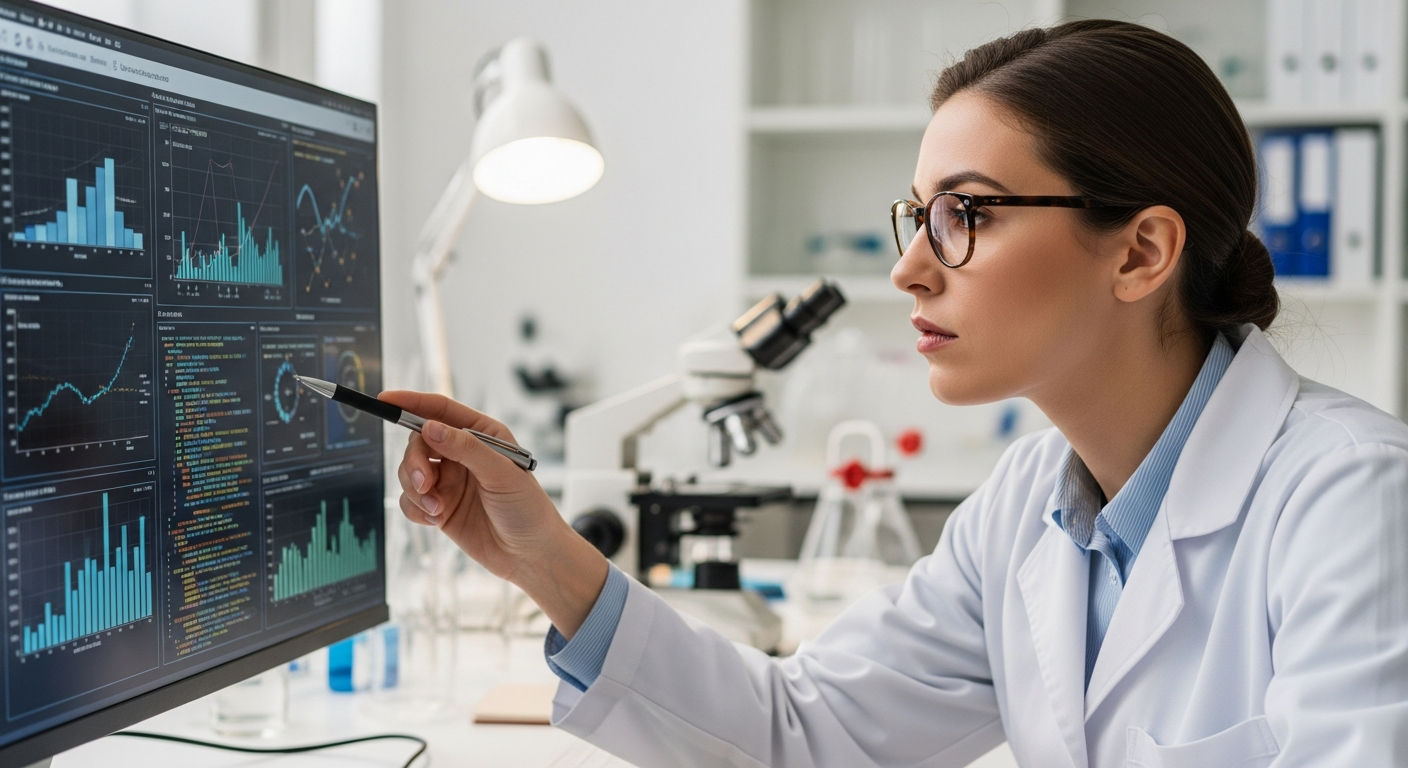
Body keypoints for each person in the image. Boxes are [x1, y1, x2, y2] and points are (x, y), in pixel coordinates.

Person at [385, 20, 1408, 768]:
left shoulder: (1354, 504)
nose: (911, 270)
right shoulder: (1027, 510)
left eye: (966, 214)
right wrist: (547, 563)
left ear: (1140, 251)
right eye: (916, 217)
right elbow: (805, 733)